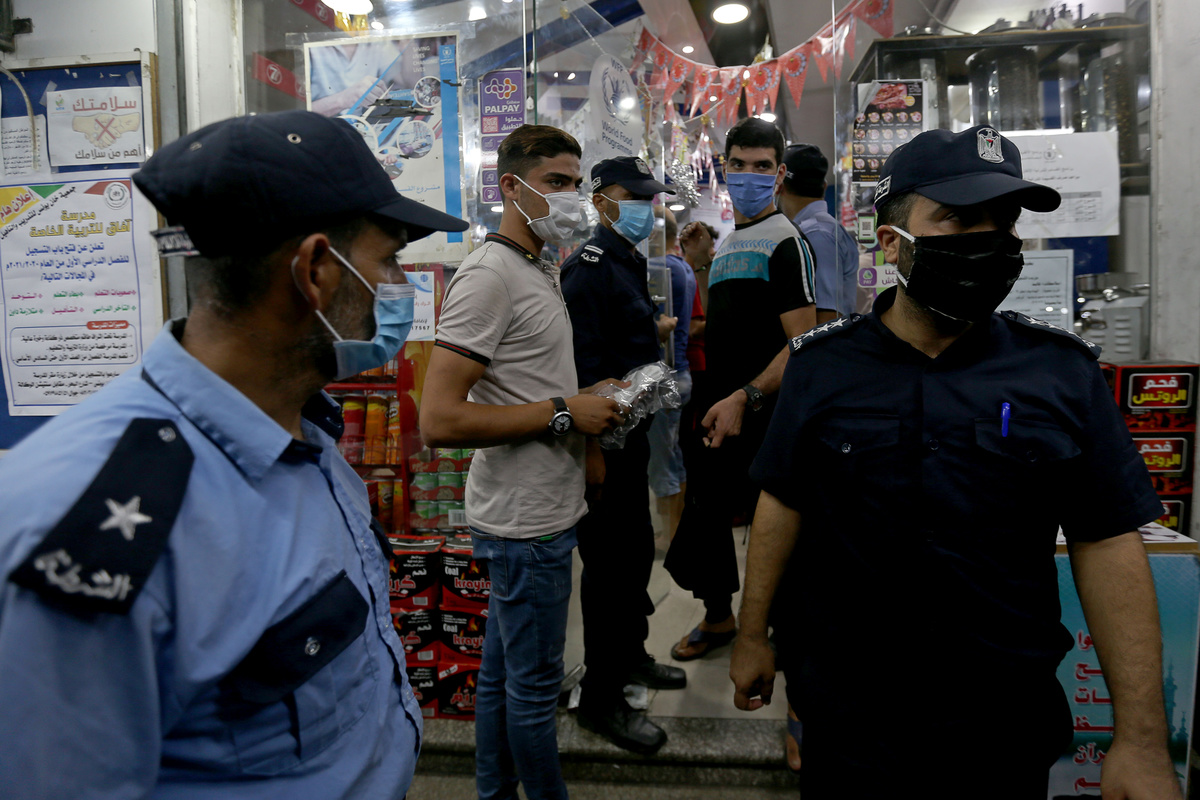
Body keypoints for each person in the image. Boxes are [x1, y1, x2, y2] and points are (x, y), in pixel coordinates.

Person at [0, 110, 470, 798]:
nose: (400, 284)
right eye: (389, 259)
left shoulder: (305, 434)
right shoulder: (94, 523)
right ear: (316, 271)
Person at [732, 125, 1181, 799]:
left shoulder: (1061, 374)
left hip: (1002, 727)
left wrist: (1141, 740)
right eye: (959, 219)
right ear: (892, 243)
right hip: (851, 721)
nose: (988, 239)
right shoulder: (821, 368)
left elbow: (1108, 539)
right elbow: (782, 502)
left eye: (1003, 220)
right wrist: (752, 635)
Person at [419, 124, 624, 800]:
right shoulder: (489, 276)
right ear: (510, 186)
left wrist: (586, 403)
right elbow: (439, 419)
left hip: (540, 507)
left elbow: (526, 385)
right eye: (556, 182)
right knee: (534, 692)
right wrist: (565, 412)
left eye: (576, 183)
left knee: (502, 678)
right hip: (524, 523)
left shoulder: (538, 265)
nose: (571, 196)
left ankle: (494, 793)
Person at [664, 117, 816, 662]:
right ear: (724, 169)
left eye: (762, 166)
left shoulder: (787, 242)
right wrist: (702, 265)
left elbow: (803, 343)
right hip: (719, 409)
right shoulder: (730, 241)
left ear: (779, 175)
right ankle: (720, 617)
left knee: (775, 529)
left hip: (763, 414)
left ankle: (782, 634)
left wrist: (746, 397)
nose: (749, 175)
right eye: (739, 164)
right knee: (705, 519)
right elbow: (727, 321)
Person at [560, 156, 685, 755]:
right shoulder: (587, 268)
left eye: (649, 198)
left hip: (632, 437)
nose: (645, 207)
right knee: (609, 571)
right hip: (603, 446)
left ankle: (631, 656)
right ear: (602, 199)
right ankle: (601, 697)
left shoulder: (626, 260)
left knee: (634, 557)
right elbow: (582, 370)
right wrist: (593, 456)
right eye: (633, 197)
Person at [647, 205, 696, 542]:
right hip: (679, 374)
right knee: (672, 456)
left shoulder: (658, 267)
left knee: (661, 460)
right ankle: (675, 530)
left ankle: (669, 536)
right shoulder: (682, 267)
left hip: (664, 378)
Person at [777, 143, 859, 321]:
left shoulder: (816, 235)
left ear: (779, 186)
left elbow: (826, 318)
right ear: (824, 187)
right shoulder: (819, 230)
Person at [676, 221, 717, 492]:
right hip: (693, 365)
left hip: (699, 364)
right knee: (691, 436)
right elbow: (695, 326)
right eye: (710, 246)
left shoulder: (698, 272)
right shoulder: (686, 273)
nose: (713, 252)